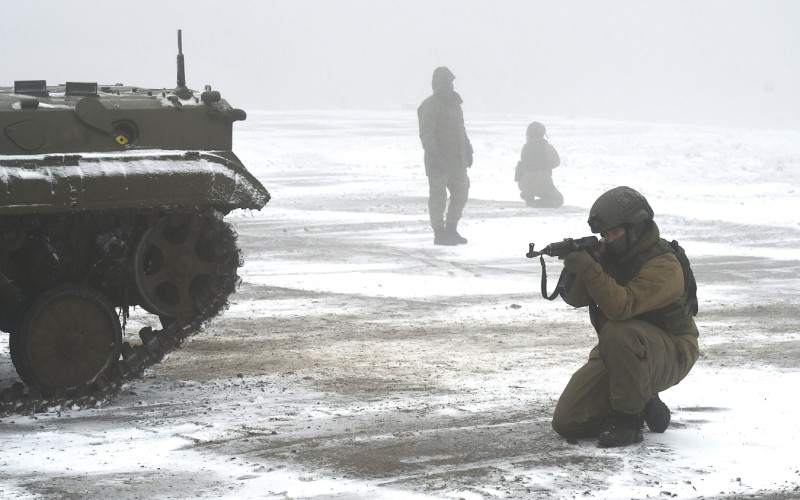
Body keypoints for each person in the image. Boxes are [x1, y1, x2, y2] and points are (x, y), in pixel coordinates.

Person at [551, 186, 699, 447]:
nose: (609, 239)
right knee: (568, 422)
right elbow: (576, 299)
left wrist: (591, 269)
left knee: (620, 331)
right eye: (605, 235)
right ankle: (643, 400)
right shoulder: (611, 255)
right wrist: (583, 265)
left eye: (615, 232)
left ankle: (628, 422)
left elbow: (622, 308)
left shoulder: (664, 264)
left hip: (672, 352)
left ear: (636, 227)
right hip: (622, 353)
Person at [417, 67, 473, 246]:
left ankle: (451, 229)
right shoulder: (430, 105)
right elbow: (426, 134)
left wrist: (468, 149)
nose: (449, 86)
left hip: (457, 161)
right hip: (438, 162)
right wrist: (435, 156)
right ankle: (439, 232)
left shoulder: (455, 105)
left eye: (450, 82)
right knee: (438, 198)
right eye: (445, 82)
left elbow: (461, 129)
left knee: (461, 193)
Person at [514, 121, 563, 208]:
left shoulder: (525, 148)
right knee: (558, 199)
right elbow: (556, 162)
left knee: (532, 185)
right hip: (543, 183)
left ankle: (528, 196)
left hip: (524, 185)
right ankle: (540, 203)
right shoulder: (547, 147)